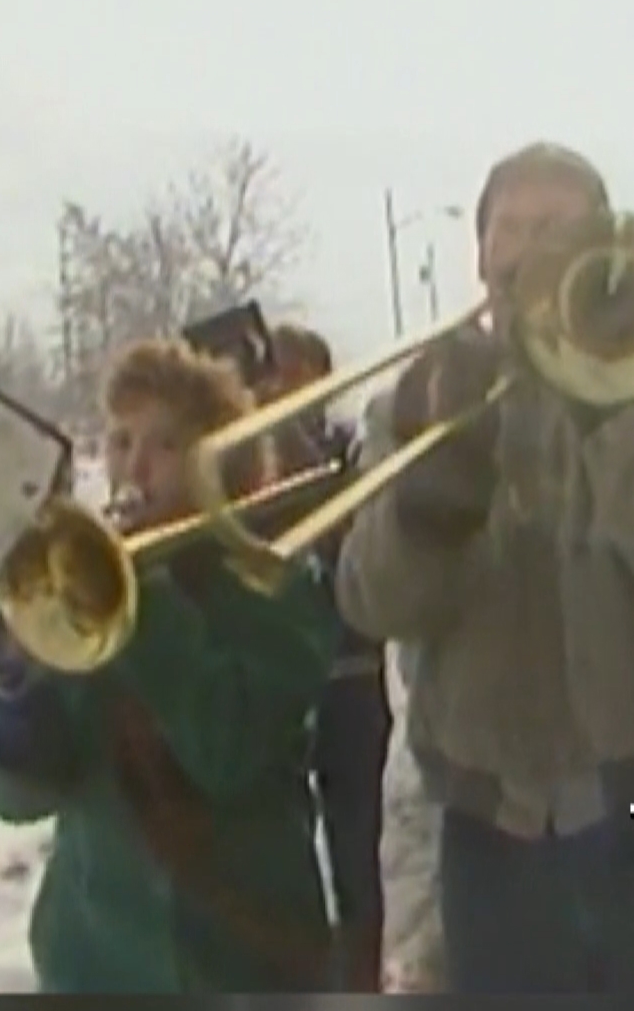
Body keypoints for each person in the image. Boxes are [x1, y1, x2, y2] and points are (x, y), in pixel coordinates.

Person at [334, 141, 634, 994]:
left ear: (603, 251)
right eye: (508, 229)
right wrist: (430, 499)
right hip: (492, 826)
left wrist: (612, 417)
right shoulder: (416, 402)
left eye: (553, 227)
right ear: (480, 253)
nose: (524, 251)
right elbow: (373, 604)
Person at [0, 339, 339, 993]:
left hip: (242, 965)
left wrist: (148, 598)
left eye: (166, 444)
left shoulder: (277, 585)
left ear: (221, 457)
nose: (136, 467)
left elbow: (228, 746)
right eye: (120, 441)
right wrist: (17, 692)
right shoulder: (86, 591)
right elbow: (17, 796)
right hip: (95, 964)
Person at [264, 322, 389, 990]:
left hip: (348, 676)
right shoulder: (238, 459)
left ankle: (363, 980)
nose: (282, 385)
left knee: (355, 854)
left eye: (296, 371)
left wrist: (292, 443)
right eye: (272, 370)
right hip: (277, 684)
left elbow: (356, 546)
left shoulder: (348, 447)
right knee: (282, 853)